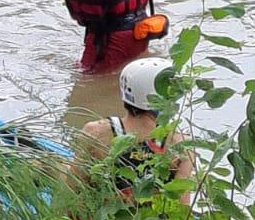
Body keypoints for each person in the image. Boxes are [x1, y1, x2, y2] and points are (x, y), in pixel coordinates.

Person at [79, 57, 195, 198]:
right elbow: (182, 206)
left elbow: (74, 188)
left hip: (104, 216)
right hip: (152, 218)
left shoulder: (95, 131)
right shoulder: (182, 144)